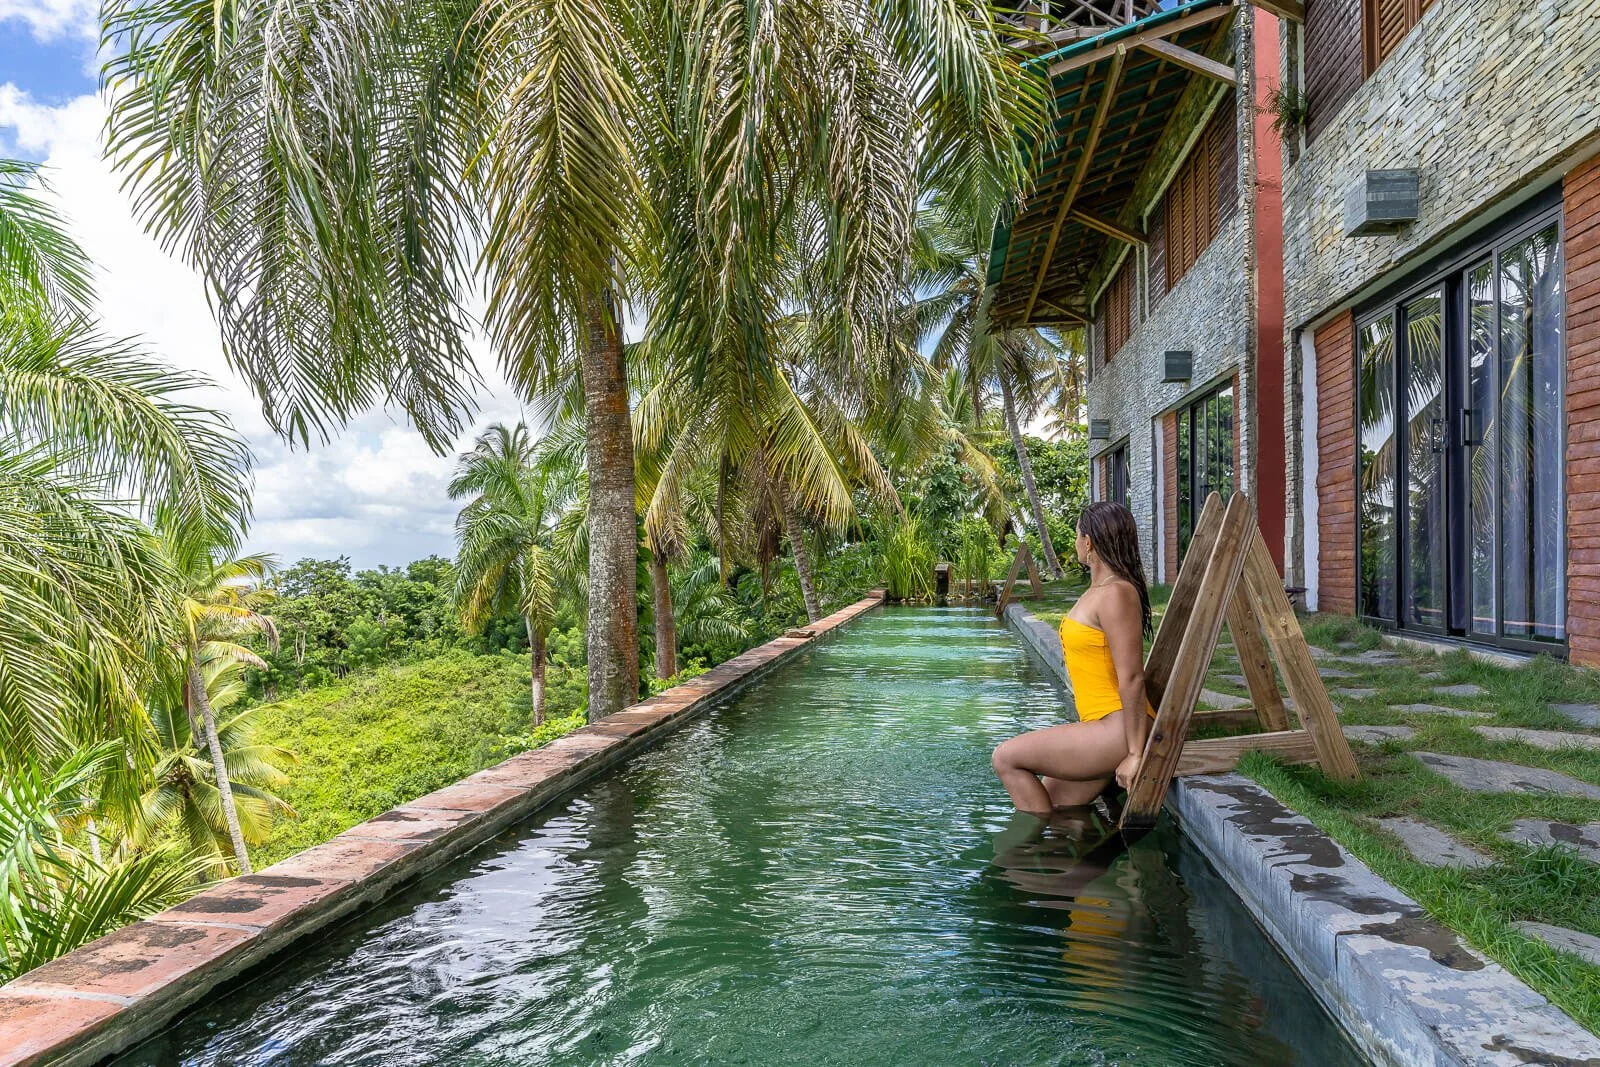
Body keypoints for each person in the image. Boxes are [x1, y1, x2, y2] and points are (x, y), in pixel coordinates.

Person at [992, 501, 1154, 814]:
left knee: (1005, 757)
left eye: (1078, 535)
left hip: (1118, 729)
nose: (1076, 542)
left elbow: (1132, 677)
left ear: (1089, 542)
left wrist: (1135, 753)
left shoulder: (1116, 593)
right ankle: (1068, 856)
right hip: (1101, 725)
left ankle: (1042, 852)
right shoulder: (1099, 589)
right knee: (1054, 802)